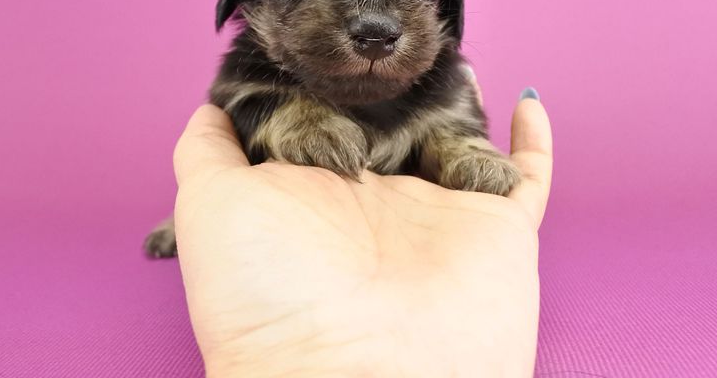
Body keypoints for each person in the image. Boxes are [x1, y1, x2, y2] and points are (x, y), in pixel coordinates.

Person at [172, 84, 553, 377]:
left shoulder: (442, 88)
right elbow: (243, 108)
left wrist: (454, 145)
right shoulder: (256, 82)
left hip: (411, 225)